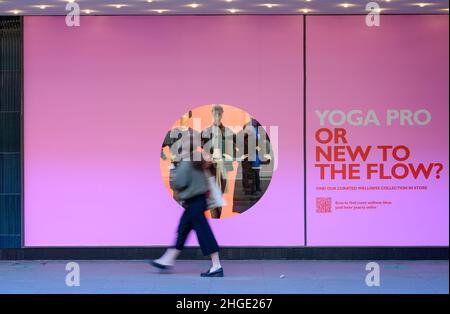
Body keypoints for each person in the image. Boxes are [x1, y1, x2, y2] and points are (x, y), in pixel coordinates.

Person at [151, 158, 224, 277]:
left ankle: (216, 266)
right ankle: (168, 259)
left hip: (194, 203)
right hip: (198, 201)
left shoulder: (187, 162)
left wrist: (173, 171)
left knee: (204, 233)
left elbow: (178, 183)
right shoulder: (198, 161)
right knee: (183, 229)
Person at [201, 105, 236, 219]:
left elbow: (239, 147)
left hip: (223, 168)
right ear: (212, 114)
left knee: (219, 195)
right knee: (212, 195)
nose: (217, 116)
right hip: (210, 168)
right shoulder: (206, 131)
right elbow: (199, 147)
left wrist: (229, 156)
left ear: (222, 114)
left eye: (219, 114)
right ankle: (215, 219)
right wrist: (208, 156)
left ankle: (217, 219)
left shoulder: (228, 132)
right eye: (215, 114)